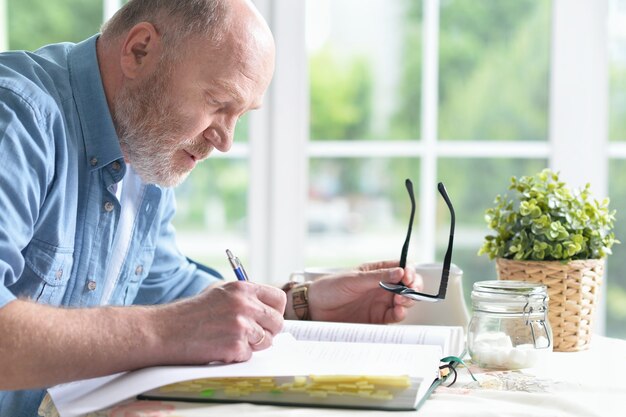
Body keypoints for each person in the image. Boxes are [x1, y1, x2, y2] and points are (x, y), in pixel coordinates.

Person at [0, 0, 422, 415]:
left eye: (240, 114)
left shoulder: (144, 143)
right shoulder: (17, 119)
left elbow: (165, 288)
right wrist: (172, 331)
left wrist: (300, 304)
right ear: (140, 50)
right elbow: (177, 320)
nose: (225, 141)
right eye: (219, 104)